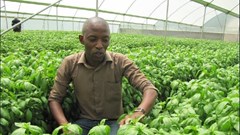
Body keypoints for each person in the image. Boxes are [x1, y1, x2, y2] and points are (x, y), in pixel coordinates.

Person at [48, 17, 158, 135]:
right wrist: (66, 127)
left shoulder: (120, 61)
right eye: (93, 39)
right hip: (84, 123)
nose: (99, 45)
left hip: (114, 123)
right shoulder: (70, 63)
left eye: (105, 40)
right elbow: (54, 99)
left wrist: (138, 112)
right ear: (82, 39)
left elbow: (150, 89)